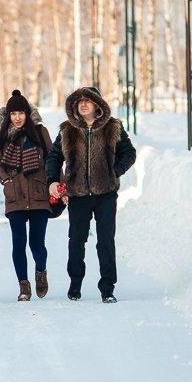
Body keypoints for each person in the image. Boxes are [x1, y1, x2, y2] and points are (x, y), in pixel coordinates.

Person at [45, 86, 137, 303]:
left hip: (105, 194)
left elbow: (129, 153)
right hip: (77, 195)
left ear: (97, 104)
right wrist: (53, 181)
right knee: (76, 240)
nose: (83, 104)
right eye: (79, 101)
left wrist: (114, 171)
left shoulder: (113, 127)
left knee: (105, 240)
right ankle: (75, 284)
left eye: (88, 100)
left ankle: (107, 288)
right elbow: (54, 157)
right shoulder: (67, 130)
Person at [0, 89, 54, 302]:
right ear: (8, 115)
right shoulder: (2, 136)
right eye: (13, 114)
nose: (17, 118)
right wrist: (7, 182)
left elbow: (52, 159)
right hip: (15, 197)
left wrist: (57, 185)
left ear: (27, 114)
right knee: (18, 243)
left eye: (21, 113)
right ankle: (23, 285)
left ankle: (40, 271)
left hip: (38, 195)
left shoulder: (39, 132)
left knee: (37, 244)